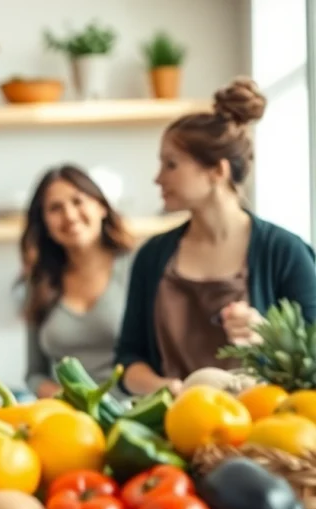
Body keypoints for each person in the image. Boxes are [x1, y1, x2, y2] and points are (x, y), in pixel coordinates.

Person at [116, 77, 316, 396]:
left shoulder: (284, 251)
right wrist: (168, 389)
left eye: (171, 164)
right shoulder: (152, 256)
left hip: (266, 433)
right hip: (175, 427)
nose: (158, 177)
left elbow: (312, 359)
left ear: (216, 171)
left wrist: (267, 336)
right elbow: (128, 359)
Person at [18, 164, 136, 398]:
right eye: (55, 208)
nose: (69, 215)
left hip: (135, 414)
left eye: (78, 201)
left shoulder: (138, 266)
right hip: (70, 422)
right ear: (44, 223)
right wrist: (66, 398)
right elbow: (34, 374)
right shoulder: (40, 282)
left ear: (101, 206)